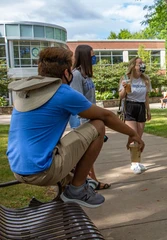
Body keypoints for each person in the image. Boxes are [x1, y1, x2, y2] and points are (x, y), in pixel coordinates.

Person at [6, 47, 145, 208]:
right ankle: (77, 189)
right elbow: (106, 116)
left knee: (71, 169)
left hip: (18, 168)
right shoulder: (62, 92)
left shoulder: (27, 92)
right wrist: (133, 134)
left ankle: (76, 188)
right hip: (42, 171)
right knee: (98, 125)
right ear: (66, 72)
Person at [69, 44, 111, 190]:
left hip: (90, 120)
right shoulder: (76, 75)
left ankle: (90, 181)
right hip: (81, 121)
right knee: (86, 154)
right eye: (92, 55)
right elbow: (78, 102)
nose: (95, 58)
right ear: (85, 57)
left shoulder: (85, 76)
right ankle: (90, 181)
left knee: (89, 154)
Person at [119, 57, 151, 174]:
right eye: (140, 63)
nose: (142, 65)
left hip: (141, 107)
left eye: (143, 63)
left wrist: (148, 111)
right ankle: (134, 163)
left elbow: (146, 96)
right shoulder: (126, 78)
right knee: (134, 136)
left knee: (139, 136)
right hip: (130, 106)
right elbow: (121, 96)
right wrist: (124, 87)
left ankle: (137, 161)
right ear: (133, 66)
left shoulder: (146, 79)